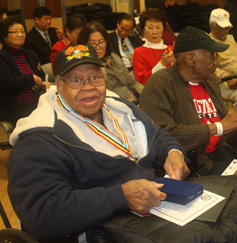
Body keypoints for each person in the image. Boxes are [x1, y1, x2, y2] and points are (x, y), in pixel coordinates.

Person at [7, 44, 189, 241]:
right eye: (76, 80)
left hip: (156, 210)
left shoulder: (120, 107)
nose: (88, 88)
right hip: (102, 230)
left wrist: (173, 152)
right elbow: (42, 214)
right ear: (59, 86)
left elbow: (155, 134)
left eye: (95, 78)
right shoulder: (39, 139)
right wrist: (121, 196)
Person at [140, 26, 237, 177]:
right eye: (211, 56)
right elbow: (162, 134)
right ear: (190, 58)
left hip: (225, 151)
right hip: (199, 162)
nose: (216, 62)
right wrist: (218, 127)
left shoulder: (209, 82)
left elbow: (225, 132)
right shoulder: (160, 83)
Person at [79, 21, 144, 104]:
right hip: (113, 106)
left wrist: (147, 94)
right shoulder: (85, 67)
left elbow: (132, 83)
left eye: (101, 42)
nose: (98, 47)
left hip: (133, 101)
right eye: (92, 43)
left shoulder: (114, 57)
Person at [0, 16, 48, 126]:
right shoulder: (2, 57)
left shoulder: (30, 55)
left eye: (22, 31)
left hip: (34, 102)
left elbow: (40, 76)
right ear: (4, 37)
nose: (20, 35)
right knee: (32, 123)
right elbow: (6, 81)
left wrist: (43, 83)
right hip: (13, 106)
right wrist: (31, 79)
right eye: (15, 32)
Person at [208, 8, 237, 111]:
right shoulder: (208, 43)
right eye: (222, 27)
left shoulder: (231, 42)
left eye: (227, 27)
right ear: (213, 25)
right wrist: (227, 77)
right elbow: (209, 68)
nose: (226, 30)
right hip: (221, 83)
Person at [132, 8, 174, 84]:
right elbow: (142, 81)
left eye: (158, 28)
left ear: (163, 29)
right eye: (150, 28)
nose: (155, 32)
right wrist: (161, 64)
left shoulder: (171, 49)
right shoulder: (139, 52)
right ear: (143, 29)